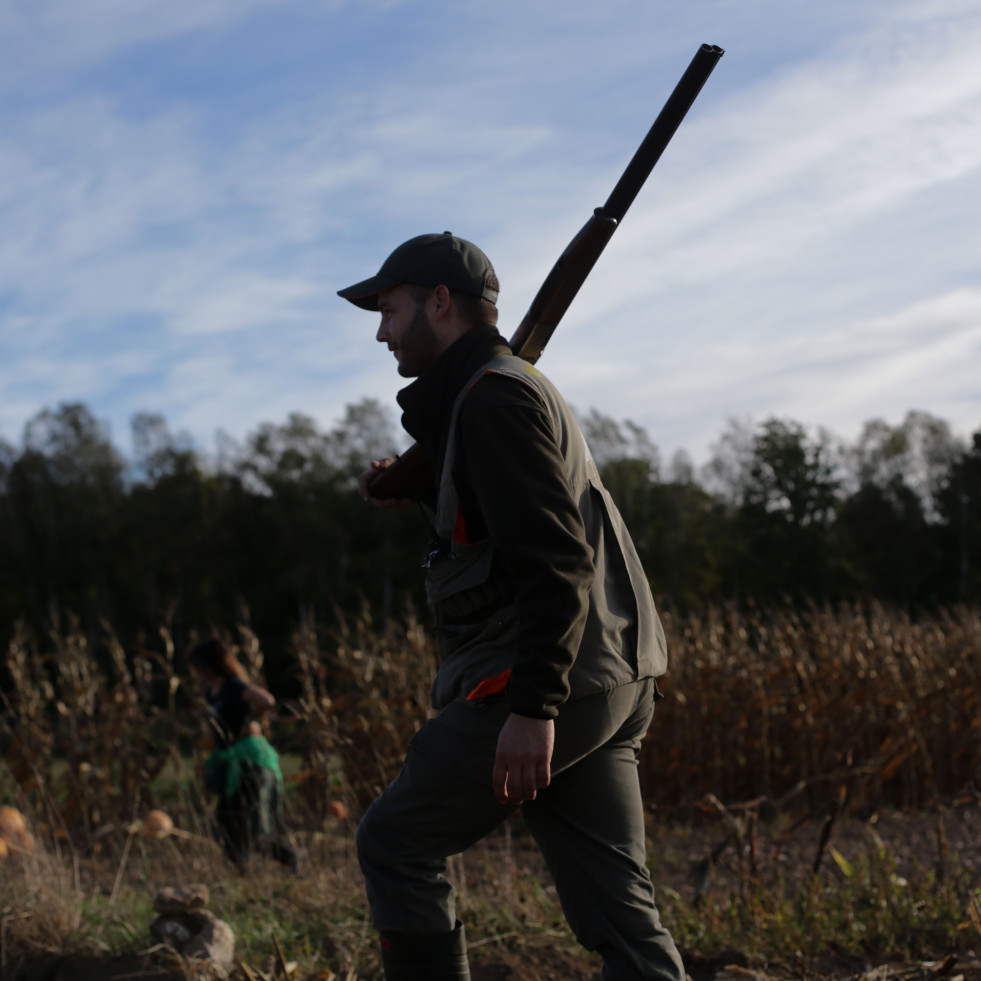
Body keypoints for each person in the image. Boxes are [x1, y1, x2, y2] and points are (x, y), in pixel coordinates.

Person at [338, 232, 686, 981]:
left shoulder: (493, 398)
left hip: (544, 683)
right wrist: (406, 484)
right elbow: (493, 523)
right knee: (621, 917)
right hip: (612, 676)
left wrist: (531, 708)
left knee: (394, 841)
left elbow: (557, 562)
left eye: (389, 310)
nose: (379, 330)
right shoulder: (493, 393)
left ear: (439, 302)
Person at [186, 638, 299, 873]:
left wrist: (250, 720)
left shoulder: (233, 686)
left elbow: (266, 700)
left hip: (250, 760)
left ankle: (289, 858)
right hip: (230, 761)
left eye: (198, 665)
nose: (195, 671)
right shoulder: (211, 692)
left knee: (251, 823)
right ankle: (239, 870)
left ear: (210, 664)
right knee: (226, 819)